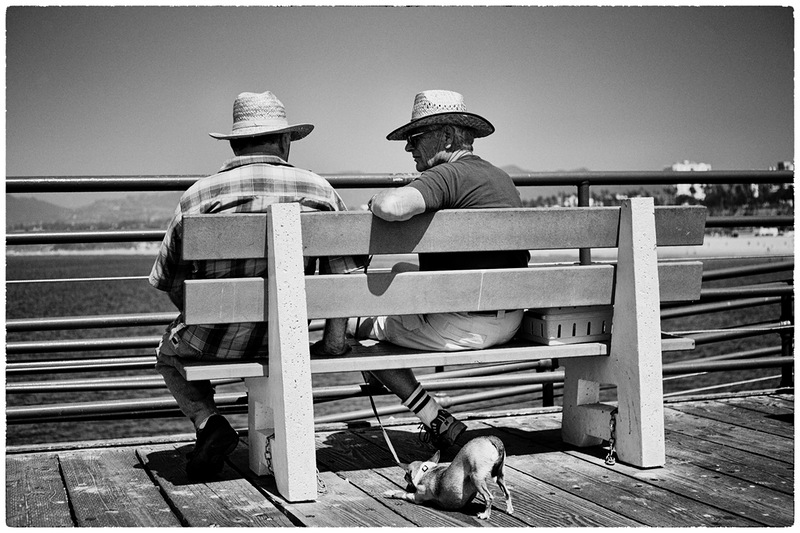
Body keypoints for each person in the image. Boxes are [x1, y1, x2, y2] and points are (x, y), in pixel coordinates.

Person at [150, 91, 361, 480]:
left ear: (233, 142)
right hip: (291, 339)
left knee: (167, 353)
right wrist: (332, 343)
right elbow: (344, 278)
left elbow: (169, 280)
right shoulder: (320, 190)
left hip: (213, 340)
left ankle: (208, 422)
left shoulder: (198, 195)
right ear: (284, 141)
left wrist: (203, 314)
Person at [356, 90, 530, 449]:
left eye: (415, 139)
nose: (408, 149)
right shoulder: (500, 179)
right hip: (511, 318)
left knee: (357, 329)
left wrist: (373, 200)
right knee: (402, 270)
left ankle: (436, 419)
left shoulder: (449, 175)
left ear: (447, 137)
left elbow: (391, 205)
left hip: (463, 326)